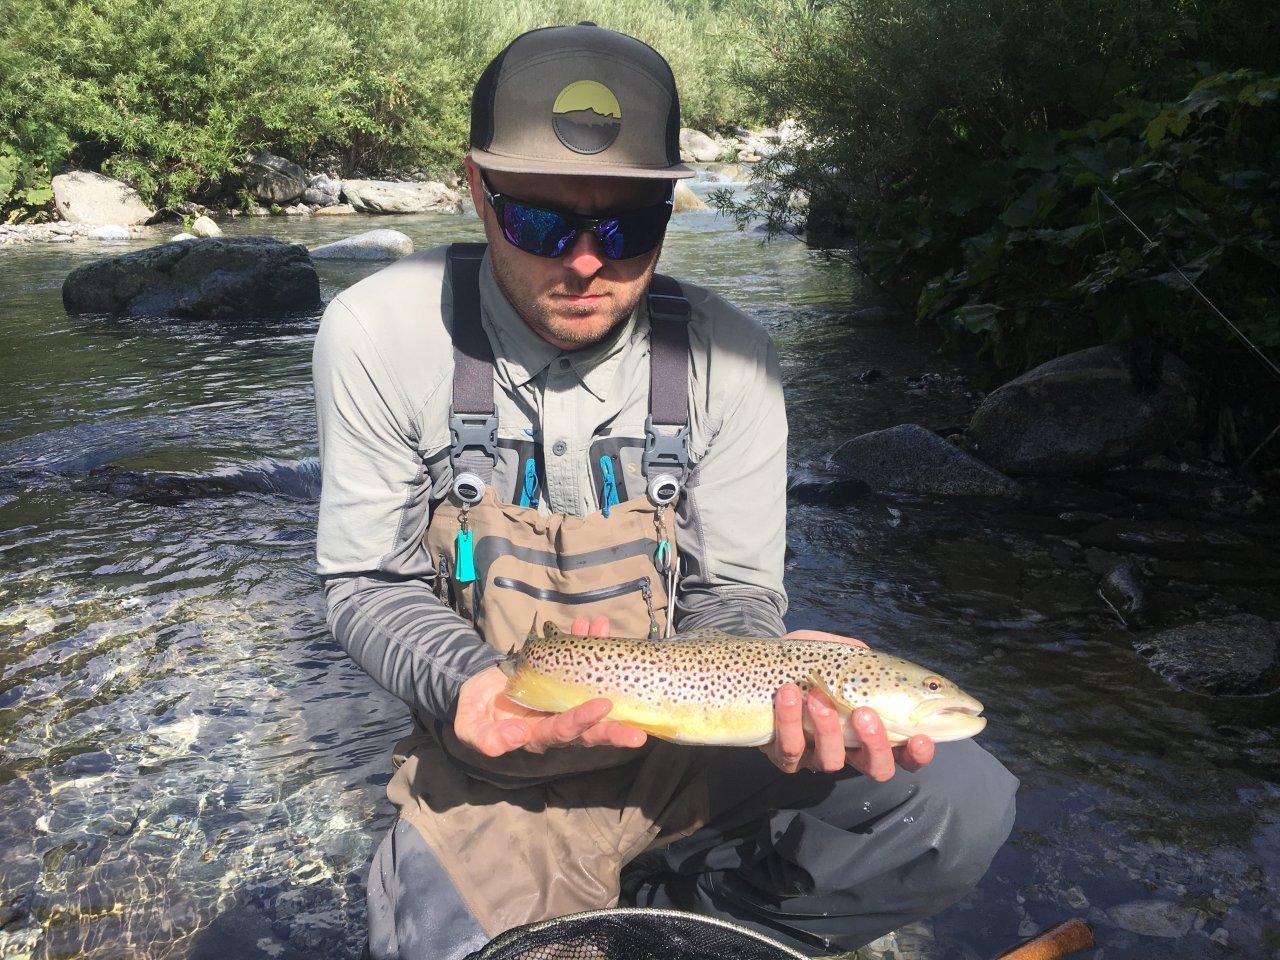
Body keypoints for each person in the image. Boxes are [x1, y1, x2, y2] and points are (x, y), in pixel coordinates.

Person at [313, 22, 1017, 960]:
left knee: (956, 803)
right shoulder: (379, 333)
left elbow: (735, 593)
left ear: (670, 209)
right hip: (493, 772)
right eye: (540, 223)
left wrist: (765, 670)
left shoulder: (734, 360)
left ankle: (683, 913)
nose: (584, 262)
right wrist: (473, 685)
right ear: (478, 192)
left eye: (627, 227)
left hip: (690, 755)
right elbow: (366, 581)